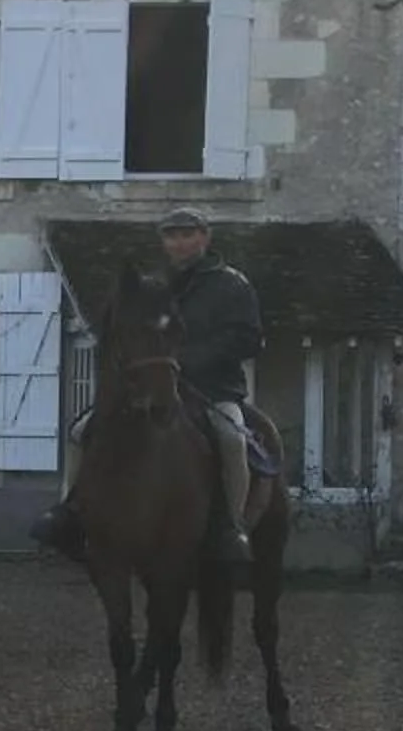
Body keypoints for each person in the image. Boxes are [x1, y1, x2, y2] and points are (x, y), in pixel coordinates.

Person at [30, 207, 263, 570]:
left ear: (205, 238)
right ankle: (69, 510)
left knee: (232, 438)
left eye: (188, 234)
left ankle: (232, 527)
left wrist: (188, 360)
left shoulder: (232, 285)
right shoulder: (153, 286)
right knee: (81, 429)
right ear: (163, 242)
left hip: (213, 388)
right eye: (172, 235)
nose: (180, 242)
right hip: (154, 385)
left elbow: (249, 339)